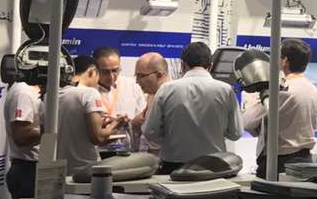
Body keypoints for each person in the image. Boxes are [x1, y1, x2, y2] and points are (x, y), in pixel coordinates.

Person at [142, 42, 243, 174]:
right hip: (213, 167)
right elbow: (236, 133)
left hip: (173, 168)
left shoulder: (166, 89)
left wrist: (170, 139)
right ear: (211, 66)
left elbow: (150, 132)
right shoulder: (226, 90)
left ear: (182, 65)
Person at [242, 38, 317, 177]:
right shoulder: (315, 91)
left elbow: (247, 121)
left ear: (284, 61)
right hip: (305, 161)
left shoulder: (280, 90)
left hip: (278, 162)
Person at [58, 55, 117, 178]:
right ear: (92, 71)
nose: (97, 83)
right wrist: (116, 123)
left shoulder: (51, 95)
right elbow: (98, 138)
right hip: (85, 170)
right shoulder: (89, 93)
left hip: (57, 171)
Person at [93, 46, 144, 153]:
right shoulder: (88, 91)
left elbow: (142, 118)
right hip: (99, 152)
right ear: (95, 69)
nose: (111, 76)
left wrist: (129, 122)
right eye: (105, 72)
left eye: (115, 70)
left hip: (127, 150)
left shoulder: (132, 86)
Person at [3, 77, 42, 199]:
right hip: (28, 170)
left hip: (33, 168)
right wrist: (51, 128)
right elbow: (21, 136)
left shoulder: (30, 91)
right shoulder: (23, 93)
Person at [130, 53, 169, 154]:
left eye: (141, 76)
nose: (137, 81)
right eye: (136, 76)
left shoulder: (172, 98)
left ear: (159, 75)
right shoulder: (152, 94)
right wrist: (134, 124)